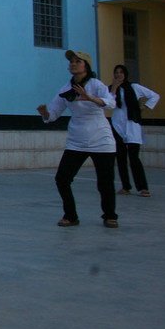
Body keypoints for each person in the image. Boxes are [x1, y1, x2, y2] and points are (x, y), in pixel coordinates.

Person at [38, 50, 119, 228]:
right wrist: (45, 113)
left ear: (86, 65)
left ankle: (110, 215)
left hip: (101, 140)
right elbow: (54, 113)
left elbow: (111, 103)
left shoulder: (96, 84)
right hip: (77, 140)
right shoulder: (65, 89)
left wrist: (90, 98)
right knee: (62, 178)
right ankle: (71, 215)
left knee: (105, 182)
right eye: (71, 61)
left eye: (77, 61)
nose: (73, 64)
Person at [108, 64, 161, 197]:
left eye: (121, 72)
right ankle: (126, 186)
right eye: (116, 72)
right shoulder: (110, 89)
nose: (118, 75)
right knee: (120, 158)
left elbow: (155, 96)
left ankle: (143, 187)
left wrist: (145, 106)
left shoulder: (134, 87)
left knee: (134, 158)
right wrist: (114, 87)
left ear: (125, 74)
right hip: (117, 126)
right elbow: (109, 102)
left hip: (132, 126)